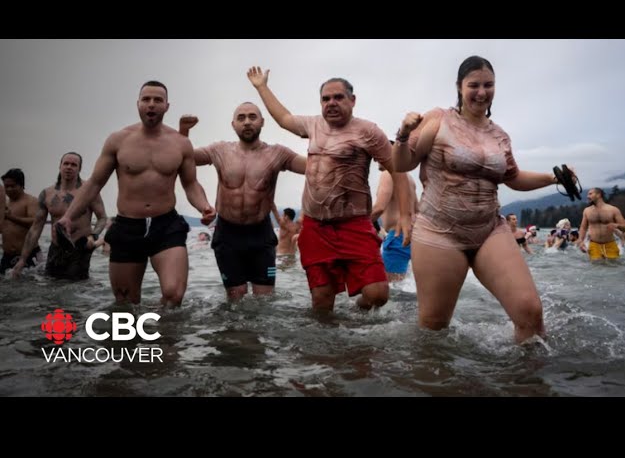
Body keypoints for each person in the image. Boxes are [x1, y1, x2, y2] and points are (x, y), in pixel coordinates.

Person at [392, 55, 572, 343]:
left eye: (488, 85)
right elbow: (401, 164)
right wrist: (402, 135)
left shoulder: (499, 136)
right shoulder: (438, 119)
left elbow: (512, 177)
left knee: (530, 313)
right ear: (459, 87)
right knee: (434, 329)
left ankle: (525, 384)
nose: (481, 92)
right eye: (474, 85)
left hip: (489, 228)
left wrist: (553, 178)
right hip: (440, 231)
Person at [248, 66, 412, 312]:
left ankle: (358, 310)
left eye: (338, 97)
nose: (331, 103)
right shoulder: (313, 125)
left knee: (378, 293)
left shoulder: (368, 131)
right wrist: (262, 86)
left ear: (352, 100)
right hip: (316, 227)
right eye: (326, 99)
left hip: (354, 224)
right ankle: (328, 348)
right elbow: (284, 119)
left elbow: (397, 169)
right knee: (322, 301)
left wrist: (407, 217)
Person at [57, 80, 216, 307]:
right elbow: (93, 183)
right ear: (138, 104)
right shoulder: (118, 140)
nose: (151, 104)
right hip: (128, 226)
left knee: (173, 296)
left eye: (157, 100)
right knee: (125, 301)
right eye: (146, 99)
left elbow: (190, 184)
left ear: (167, 106)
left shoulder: (180, 143)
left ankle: (166, 340)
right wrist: (68, 216)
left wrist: (204, 206)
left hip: (166, 225)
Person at [179, 102, 306, 299]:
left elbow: (312, 167)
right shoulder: (219, 150)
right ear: (233, 124)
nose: (247, 122)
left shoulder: (277, 154)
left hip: (261, 233)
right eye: (241, 118)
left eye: (252, 117)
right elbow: (185, 157)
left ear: (262, 122)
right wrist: (184, 132)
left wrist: (324, 141)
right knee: (235, 297)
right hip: (228, 233)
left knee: (264, 299)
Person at [12, 152, 108, 280]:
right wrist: (23, 259)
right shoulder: (47, 194)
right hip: (56, 248)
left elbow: (102, 218)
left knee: (76, 288)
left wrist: (93, 236)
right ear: (60, 166)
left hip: (80, 248)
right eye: (66, 163)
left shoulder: (89, 191)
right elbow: (35, 228)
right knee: (51, 287)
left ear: (79, 169)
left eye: (74, 165)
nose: (69, 167)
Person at [371, 154, 419, 281]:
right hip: (410, 237)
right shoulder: (409, 179)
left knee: (391, 291)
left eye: (378, 152)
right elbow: (418, 211)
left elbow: (379, 207)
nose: (375, 158)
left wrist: (356, 226)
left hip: (397, 238)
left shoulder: (388, 174)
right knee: (403, 286)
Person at [1, 169, 41, 275]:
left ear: (21, 185)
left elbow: (34, 223)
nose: (9, 189)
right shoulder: (5, 204)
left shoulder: (31, 201)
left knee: (30, 287)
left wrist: (10, 217)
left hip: (29, 255)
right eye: (6, 186)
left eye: (12, 186)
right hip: (7, 255)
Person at [577, 188, 625, 260]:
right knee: (596, 268)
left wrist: (617, 225)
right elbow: (583, 228)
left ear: (598, 195)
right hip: (594, 244)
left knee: (614, 267)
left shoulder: (613, 210)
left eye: (590, 194)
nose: (588, 196)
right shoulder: (587, 211)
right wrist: (581, 241)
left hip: (610, 244)